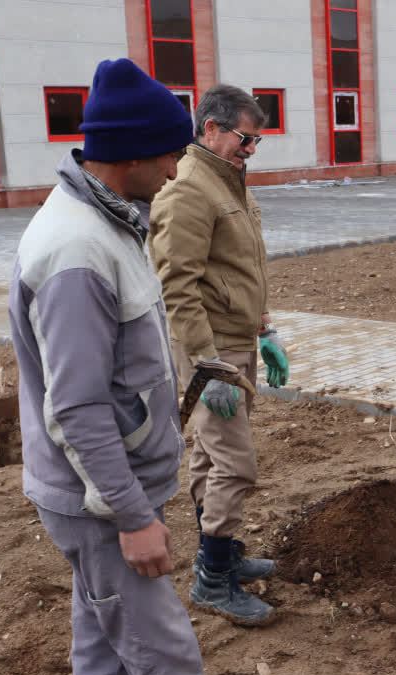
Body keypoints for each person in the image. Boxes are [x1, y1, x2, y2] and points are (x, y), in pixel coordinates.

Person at [8, 58, 207, 675]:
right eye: (172, 154)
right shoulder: (77, 249)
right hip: (98, 503)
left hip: (96, 494)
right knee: (169, 665)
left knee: (105, 668)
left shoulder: (108, 221)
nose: (177, 171)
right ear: (132, 152)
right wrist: (132, 516)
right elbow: (78, 405)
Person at [150, 84, 289, 627]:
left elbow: (239, 266)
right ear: (210, 128)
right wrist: (210, 367)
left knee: (212, 454)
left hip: (236, 341)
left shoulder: (228, 180)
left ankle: (224, 555)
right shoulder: (189, 190)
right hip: (209, 350)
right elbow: (176, 288)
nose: (251, 148)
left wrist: (264, 328)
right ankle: (212, 579)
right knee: (236, 462)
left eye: (257, 140)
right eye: (245, 137)